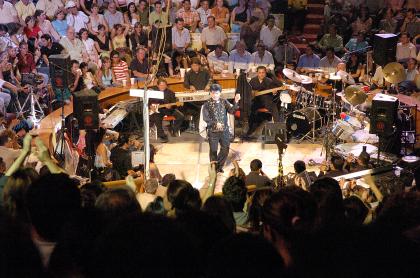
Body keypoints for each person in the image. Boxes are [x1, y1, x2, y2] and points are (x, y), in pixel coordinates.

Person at [202, 83, 240, 172]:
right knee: (213, 150)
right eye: (213, 93)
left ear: (220, 93)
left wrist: (236, 102)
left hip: (224, 131)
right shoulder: (206, 104)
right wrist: (215, 123)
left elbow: (232, 111)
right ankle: (214, 168)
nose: (215, 95)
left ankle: (218, 166)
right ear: (210, 93)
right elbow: (206, 118)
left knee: (225, 149)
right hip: (213, 132)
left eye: (217, 93)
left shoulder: (224, 101)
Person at [246, 66, 280, 137]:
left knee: (275, 109)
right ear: (257, 73)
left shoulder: (269, 81)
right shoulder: (253, 80)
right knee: (250, 108)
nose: (261, 74)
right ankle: (250, 129)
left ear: (265, 73)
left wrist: (274, 92)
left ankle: (278, 131)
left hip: (267, 100)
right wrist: (252, 93)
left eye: (263, 73)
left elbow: (275, 94)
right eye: (259, 73)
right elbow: (248, 91)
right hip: (257, 100)